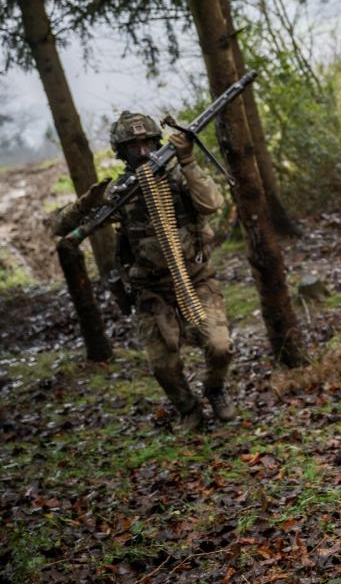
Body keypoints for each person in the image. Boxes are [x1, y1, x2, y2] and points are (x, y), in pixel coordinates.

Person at [51, 111, 234, 432]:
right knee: (163, 366)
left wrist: (188, 160)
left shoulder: (178, 177)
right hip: (151, 291)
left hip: (195, 280)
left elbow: (211, 203)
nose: (143, 151)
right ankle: (188, 409)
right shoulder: (121, 191)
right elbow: (59, 226)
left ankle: (215, 388)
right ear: (121, 151)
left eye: (148, 142)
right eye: (133, 146)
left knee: (220, 347)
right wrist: (87, 203)